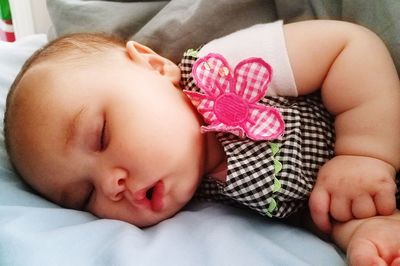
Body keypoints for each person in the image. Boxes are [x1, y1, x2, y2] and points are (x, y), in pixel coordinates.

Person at [3, 20, 400, 265]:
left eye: (102, 135)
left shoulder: (223, 68)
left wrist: (364, 153)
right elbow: (315, 211)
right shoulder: (207, 200)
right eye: (84, 195)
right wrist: (365, 232)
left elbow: (348, 48)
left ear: (154, 65)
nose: (111, 185)